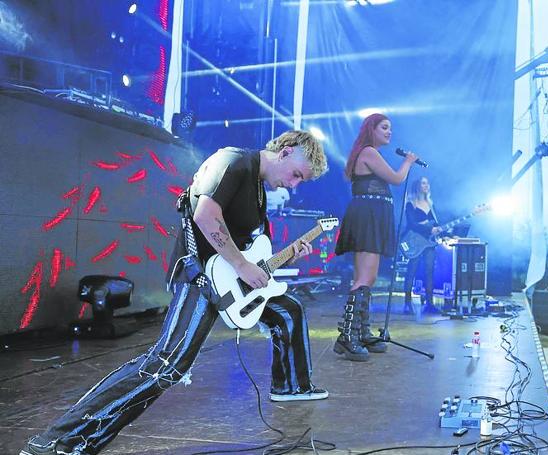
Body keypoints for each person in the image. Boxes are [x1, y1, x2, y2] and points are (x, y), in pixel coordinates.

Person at [21, 130, 329, 455]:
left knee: (286, 309)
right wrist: (241, 266)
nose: (294, 186)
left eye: (301, 182)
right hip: (200, 276)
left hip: (225, 278)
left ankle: (291, 386)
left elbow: (251, 253)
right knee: (165, 364)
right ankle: (57, 441)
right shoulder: (234, 161)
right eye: (297, 175)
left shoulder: (258, 192)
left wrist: (286, 256)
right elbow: (205, 215)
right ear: (286, 151)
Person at [334, 113, 418, 361]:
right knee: (366, 277)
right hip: (369, 215)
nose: (389, 132)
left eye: (390, 128)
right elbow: (397, 178)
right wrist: (409, 162)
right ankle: (348, 336)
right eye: (384, 127)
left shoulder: (369, 152)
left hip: (372, 214)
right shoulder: (369, 152)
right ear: (372, 129)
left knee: (365, 277)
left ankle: (360, 331)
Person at [402, 176, 442, 314]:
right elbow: (411, 224)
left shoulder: (431, 204)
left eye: (427, 183)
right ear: (417, 186)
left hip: (429, 243)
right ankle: (407, 302)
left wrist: (441, 231)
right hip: (415, 241)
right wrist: (428, 229)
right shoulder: (410, 203)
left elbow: (436, 223)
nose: (426, 185)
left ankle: (430, 303)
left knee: (429, 270)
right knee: (412, 270)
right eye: (423, 183)